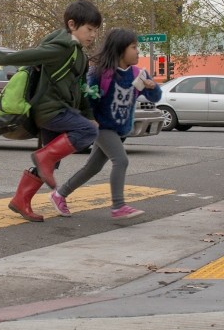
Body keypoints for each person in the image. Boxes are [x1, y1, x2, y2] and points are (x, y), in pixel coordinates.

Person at [0, 0, 102, 222]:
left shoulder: (80, 56)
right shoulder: (62, 47)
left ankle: (21, 200)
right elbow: (32, 54)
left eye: (96, 30)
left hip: (55, 111)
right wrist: (2, 58)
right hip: (50, 111)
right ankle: (43, 158)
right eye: (89, 29)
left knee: (52, 160)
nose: (93, 34)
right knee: (86, 133)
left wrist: (89, 115)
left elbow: (80, 89)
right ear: (71, 24)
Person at [49, 28, 162, 220]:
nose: (138, 51)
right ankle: (118, 206)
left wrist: (153, 87)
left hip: (120, 130)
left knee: (92, 167)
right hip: (101, 126)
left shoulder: (138, 74)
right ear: (120, 50)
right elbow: (87, 100)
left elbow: (155, 97)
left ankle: (59, 194)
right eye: (134, 47)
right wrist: (89, 119)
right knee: (121, 160)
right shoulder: (101, 73)